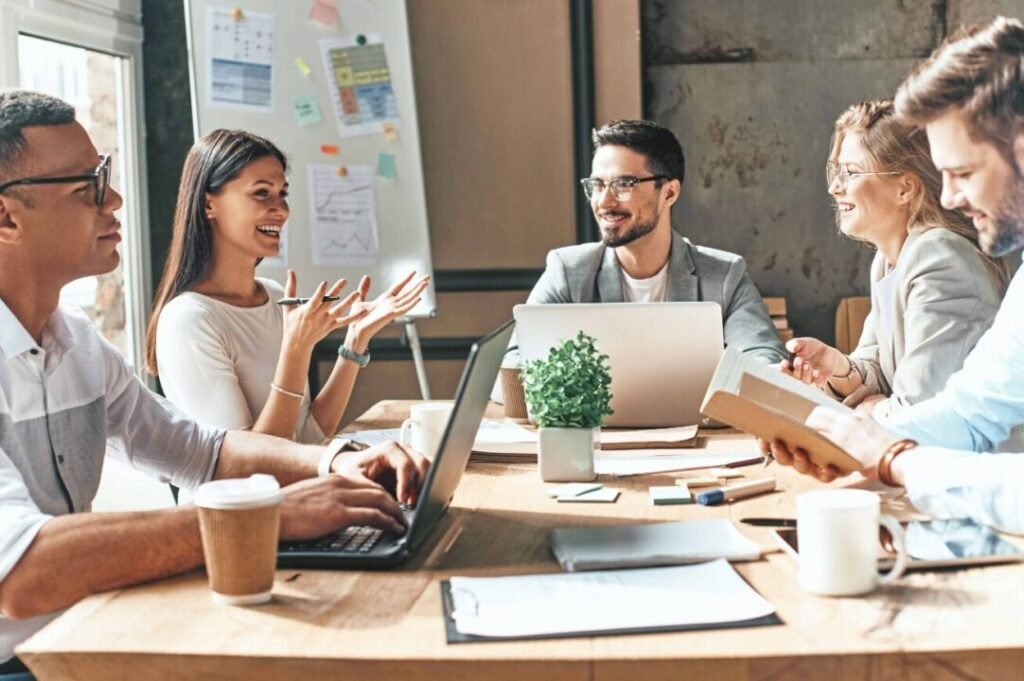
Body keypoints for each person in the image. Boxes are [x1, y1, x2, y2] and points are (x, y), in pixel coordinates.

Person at [0, 90, 427, 676]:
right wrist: (267, 518)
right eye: (89, 187)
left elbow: (203, 450)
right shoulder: (182, 318)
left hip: (83, 632)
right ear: (6, 217)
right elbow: (22, 575)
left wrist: (335, 460)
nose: (116, 199)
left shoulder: (75, 341)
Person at [765, 17, 1024, 535]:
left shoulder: (938, 255)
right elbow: (970, 412)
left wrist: (894, 455)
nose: (948, 197)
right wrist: (838, 437)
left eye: (964, 172)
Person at [146, 129, 428, 442]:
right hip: (253, 492)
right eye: (262, 193)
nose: (281, 210)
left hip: (302, 488)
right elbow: (247, 465)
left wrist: (356, 340)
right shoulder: (189, 320)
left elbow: (307, 434)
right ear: (209, 204)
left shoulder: (276, 296)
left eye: (283, 193)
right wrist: (295, 350)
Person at [783, 100, 1007, 418]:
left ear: (905, 188)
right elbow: (877, 369)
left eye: (851, 173)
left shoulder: (938, 259)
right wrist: (839, 367)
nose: (835, 188)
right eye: (835, 171)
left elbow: (919, 411)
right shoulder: (890, 260)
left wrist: (872, 408)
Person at [522, 119, 784, 363]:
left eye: (624, 184)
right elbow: (515, 362)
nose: (604, 202)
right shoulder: (569, 272)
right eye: (598, 185)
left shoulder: (724, 276)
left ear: (669, 193)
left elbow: (763, 357)